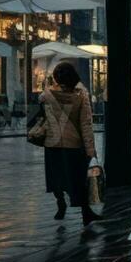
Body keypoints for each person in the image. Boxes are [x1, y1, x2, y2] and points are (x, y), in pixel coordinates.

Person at [39, 62, 101, 225]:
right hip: (74, 145)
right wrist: (90, 150)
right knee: (79, 180)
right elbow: (86, 125)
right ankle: (86, 213)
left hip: (52, 143)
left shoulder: (47, 95)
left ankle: (60, 202)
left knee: (55, 177)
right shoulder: (81, 96)